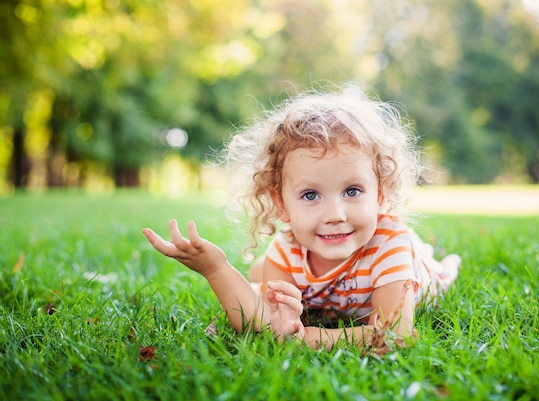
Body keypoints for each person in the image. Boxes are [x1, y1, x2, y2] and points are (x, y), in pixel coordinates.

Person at [143, 85, 461, 349]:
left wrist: (312, 336)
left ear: (379, 195)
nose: (335, 215)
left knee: (439, 270)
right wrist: (216, 269)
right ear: (281, 205)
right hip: (302, 271)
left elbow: (393, 334)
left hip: (415, 268)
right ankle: (261, 272)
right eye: (311, 195)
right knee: (268, 276)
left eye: (352, 191)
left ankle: (446, 264)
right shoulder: (288, 249)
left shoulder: (388, 243)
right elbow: (268, 324)